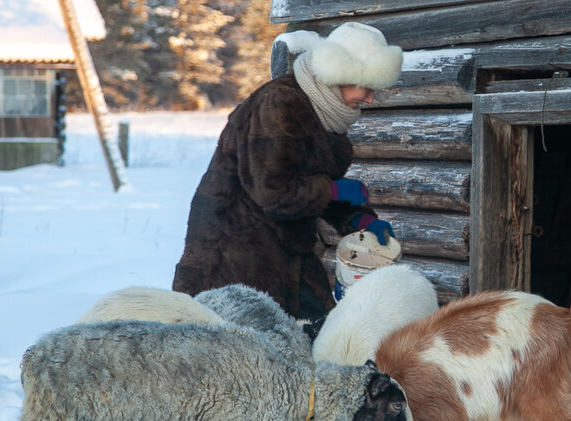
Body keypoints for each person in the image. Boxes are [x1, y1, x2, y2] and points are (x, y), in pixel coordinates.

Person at [172, 21, 402, 331]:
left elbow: (314, 185)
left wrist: (358, 220)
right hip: (234, 253)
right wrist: (336, 191)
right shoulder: (280, 104)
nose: (371, 99)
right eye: (368, 87)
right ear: (343, 74)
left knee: (319, 332)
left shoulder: (320, 110)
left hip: (284, 250)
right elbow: (273, 192)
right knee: (247, 352)